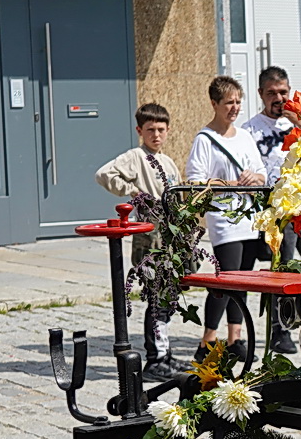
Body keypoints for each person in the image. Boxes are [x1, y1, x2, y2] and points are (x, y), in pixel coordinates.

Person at [185, 75, 267, 360]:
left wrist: (253, 177)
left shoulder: (244, 136)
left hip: (249, 218)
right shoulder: (205, 139)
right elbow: (196, 181)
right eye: (229, 102)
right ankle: (207, 340)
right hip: (223, 218)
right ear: (214, 104)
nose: (234, 107)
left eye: (238, 102)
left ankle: (235, 339)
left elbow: (262, 174)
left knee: (242, 279)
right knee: (225, 279)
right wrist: (231, 184)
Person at [95, 103, 180, 381]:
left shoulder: (167, 162)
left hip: (169, 237)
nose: (156, 135)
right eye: (150, 130)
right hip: (150, 238)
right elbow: (105, 174)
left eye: (161, 130)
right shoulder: (136, 157)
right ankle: (155, 358)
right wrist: (135, 193)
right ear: (139, 131)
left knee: (168, 296)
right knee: (156, 295)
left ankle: (165, 352)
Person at [241, 65, 301, 354]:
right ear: (261, 94)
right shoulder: (249, 130)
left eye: (283, 92)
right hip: (276, 214)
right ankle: (279, 330)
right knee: (280, 272)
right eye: (272, 93)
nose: (279, 98)